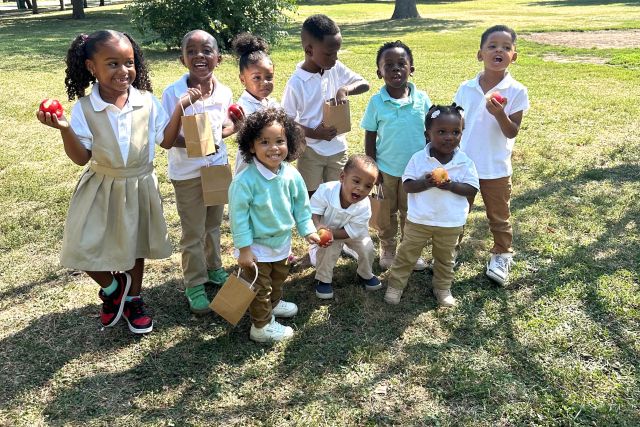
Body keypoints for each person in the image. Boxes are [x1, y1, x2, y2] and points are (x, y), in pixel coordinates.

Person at [36, 30, 201, 333]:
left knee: (134, 245)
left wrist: (179, 108)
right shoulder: (85, 108)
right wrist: (64, 129)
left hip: (139, 184)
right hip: (101, 185)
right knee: (81, 245)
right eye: (112, 64)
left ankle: (133, 299)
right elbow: (81, 157)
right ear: (91, 68)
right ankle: (114, 288)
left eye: (128, 62)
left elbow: (165, 140)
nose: (123, 71)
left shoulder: (147, 102)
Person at [282, 14, 369, 266]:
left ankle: (337, 243)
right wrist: (314, 132)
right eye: (330, 53)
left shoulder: (335, 69)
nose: (335, 58)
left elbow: (364, 83)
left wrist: (345, 89)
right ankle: (315, 251)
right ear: (309, 50)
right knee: (312, 201)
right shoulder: (296, 82)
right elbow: (288, 122)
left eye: (337, 52)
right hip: (310, 151)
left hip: (338, 150)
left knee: (338, 200)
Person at [228, 108, 320, 342]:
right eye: (265, 142)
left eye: (280, 141)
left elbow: (301, 206)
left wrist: (308, 229)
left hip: (281, 243)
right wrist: (244, 249)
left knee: (279, 278)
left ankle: (274, 304)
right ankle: (261, 326)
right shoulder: (244, 181)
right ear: (251, 146)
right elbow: (238, 218)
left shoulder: (290, 174)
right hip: (256, 248)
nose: (274, 148)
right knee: (260, 288)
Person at [161, 29, 235, 314]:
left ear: (218, 58)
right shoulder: (173, 93)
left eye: (206, 50)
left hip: (216, 169)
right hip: (188, 174)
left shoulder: (224, 91)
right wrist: (194, 145)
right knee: (193, 231)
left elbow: (222, 128)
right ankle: (194, 282)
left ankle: (214, 267)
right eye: (191, 51)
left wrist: (233, 128)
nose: (199, 56)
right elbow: (165, 137)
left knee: (213, 224)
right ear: (183, 60)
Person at [454, 25, 529, 285]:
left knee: (499, 216)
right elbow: (457, 123)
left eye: (506, 47)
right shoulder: (466, 88)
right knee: (457, 212)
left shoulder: (516, 91)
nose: (499, 50)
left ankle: (502, 253)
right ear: (480, 54)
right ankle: (450, 250)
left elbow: (511, 132)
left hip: (496, 167)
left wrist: (499, 113)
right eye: (493, 46)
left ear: (514, 56)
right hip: (464, 165)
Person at [384, 104, 479, 307]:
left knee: (445, 258)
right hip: (420, 220)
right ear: (428, 134)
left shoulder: (465, 162)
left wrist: (451, 185)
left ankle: (442, 288)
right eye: (441, 132)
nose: (449, 137)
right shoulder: (418, 159)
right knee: (406, 254)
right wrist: (425, 182)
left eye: (456, 132)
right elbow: (408, 186)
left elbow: (471, 189)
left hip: (450, 222)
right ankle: (396, 285)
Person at [361, 40, 432, 271]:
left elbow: (430, 133)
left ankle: (409, 250)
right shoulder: (376, 102)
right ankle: (388, 248)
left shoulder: (422, 100)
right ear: (379, 72)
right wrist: (373, 168)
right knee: (386, 214)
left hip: (416, 173)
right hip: (387, 170)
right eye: (388, 65)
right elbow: (370, 136)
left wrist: (431, 161)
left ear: (411, 68)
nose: (395, 69)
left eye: (402, 63)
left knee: (411, 213)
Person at [311, 155, 381, 299]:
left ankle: (365, 273)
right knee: (328, 249)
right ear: (342, 177)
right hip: (326, 228)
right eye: (356, 181)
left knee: (367, 248)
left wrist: (332, 234)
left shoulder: (364, 206)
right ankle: (323, 279)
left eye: (368, 186)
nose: (361, 189)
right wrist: (318, 226)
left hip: (352, 233)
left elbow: (351, 231)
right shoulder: (326, 190)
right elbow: (314, 211)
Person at [230, 32, 280, 175]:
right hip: (251, 171)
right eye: (256, 78)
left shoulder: (272, 103)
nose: (264, 83)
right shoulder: (242, 108)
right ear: (242, 79)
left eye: (269, 77)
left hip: (270, 163)